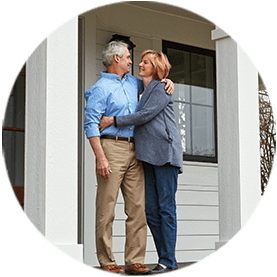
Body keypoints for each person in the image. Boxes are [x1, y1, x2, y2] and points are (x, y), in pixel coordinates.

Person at [84, 41, 174, 275]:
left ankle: (134, 259)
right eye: (127, 57)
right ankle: (107, 261)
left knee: (138, 208)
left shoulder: (134, 83)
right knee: (107, 208)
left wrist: (168, 80)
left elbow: (154, 87)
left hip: (136, 151)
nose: (131, 62)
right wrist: (101, 157)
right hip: (111, 149)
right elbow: (91, 125)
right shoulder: (100, 88)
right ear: (116, 58)